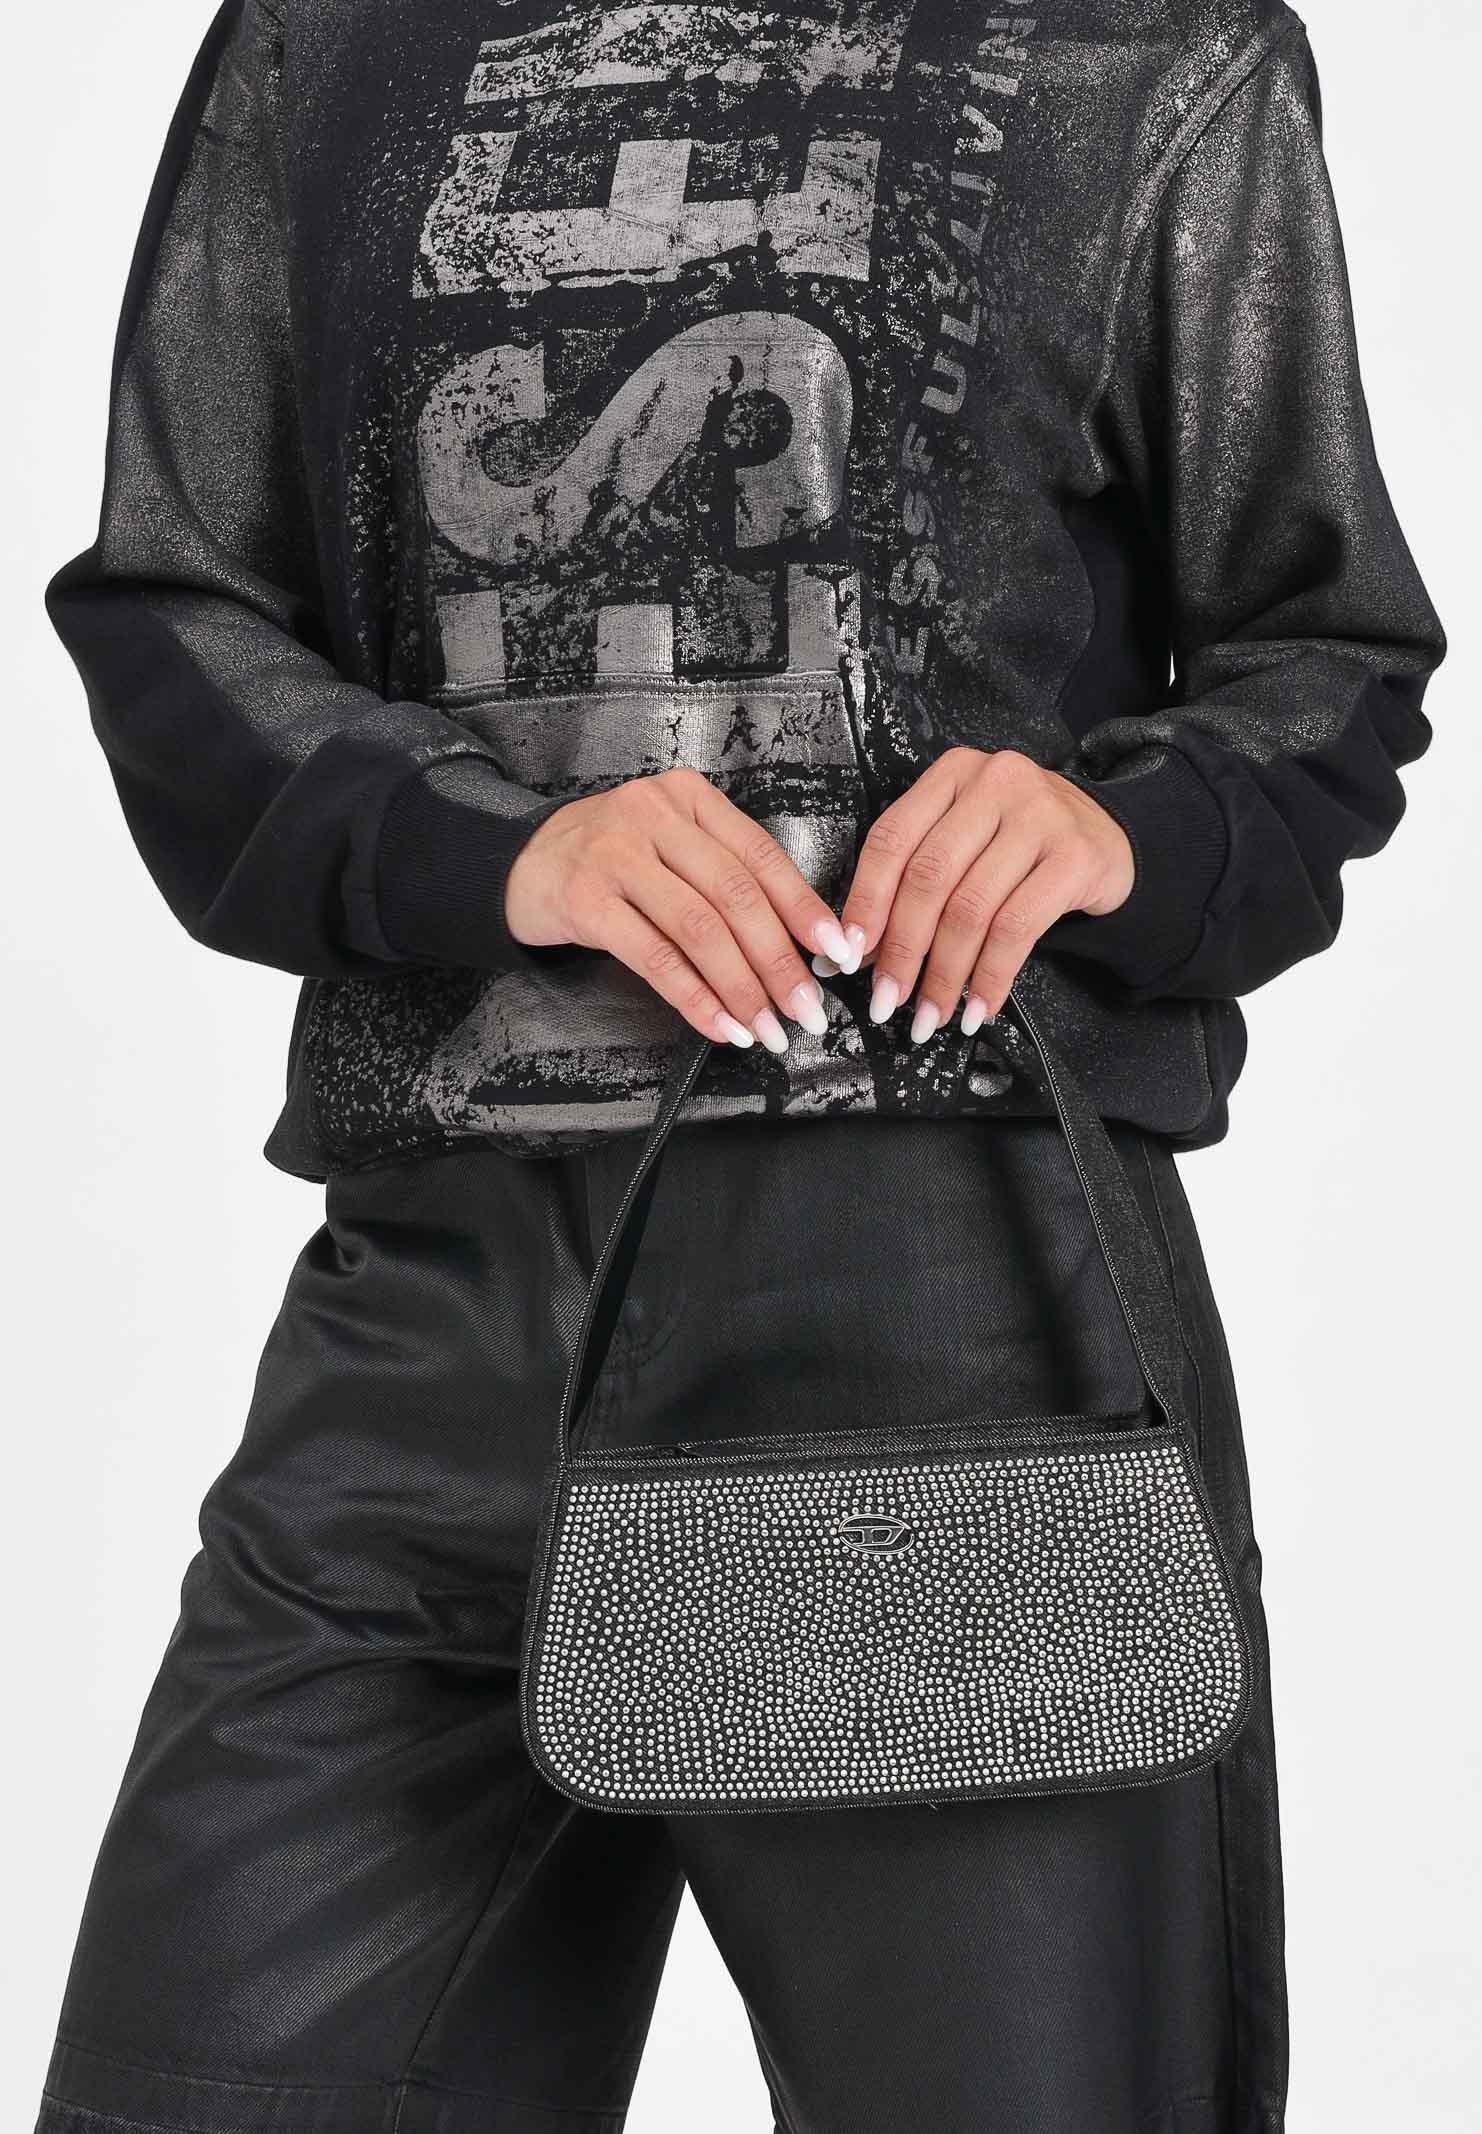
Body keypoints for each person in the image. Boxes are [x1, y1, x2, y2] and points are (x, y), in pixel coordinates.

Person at [33, 2, 1444, 2131]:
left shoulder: (1152, 47)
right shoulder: (323, 42)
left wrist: (1114, 827)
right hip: (426, 1324)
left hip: (938, 1339)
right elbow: (176, 610)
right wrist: (494, 846)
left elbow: (1319, 652)